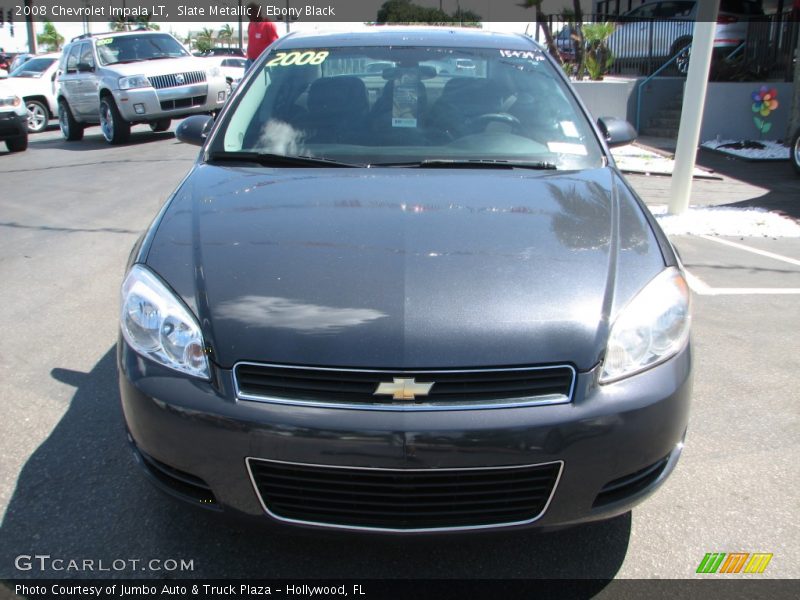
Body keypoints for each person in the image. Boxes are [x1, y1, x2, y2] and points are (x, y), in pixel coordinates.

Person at [246, 3, 279, 71]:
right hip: (250, 61)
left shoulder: (268, 25)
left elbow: (275, 44)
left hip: (263, 62)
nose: (248, 15)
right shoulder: (250, 24)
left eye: (250, 12)